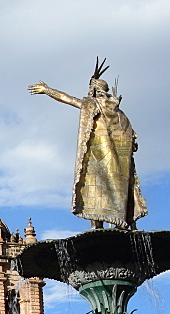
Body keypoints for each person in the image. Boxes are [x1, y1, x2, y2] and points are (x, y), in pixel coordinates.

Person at [28, 58, 147, 231]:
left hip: (97, 158)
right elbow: (133, 142)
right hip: (120, 167)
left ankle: (97, 225)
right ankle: (120, 221)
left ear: (94, 90)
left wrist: (47, 90)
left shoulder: (93, 105)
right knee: (115, 188)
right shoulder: (121, 115)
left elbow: (68, 99)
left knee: (94, 188)